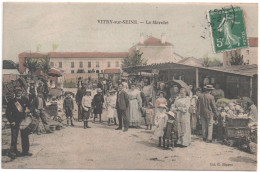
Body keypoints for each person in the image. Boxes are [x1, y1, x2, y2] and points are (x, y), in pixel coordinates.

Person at [5, 87, 32, 159]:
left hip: (23, 121)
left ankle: (25, 151)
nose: (18, 92)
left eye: (20, 91)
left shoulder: (25, 99)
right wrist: (11, 121)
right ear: (15, 92)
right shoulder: (11, 101)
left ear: (22, 92)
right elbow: (7, 113)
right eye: (17, 91)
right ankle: (13, 152)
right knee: (14, 137)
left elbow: (31, 106)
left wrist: (28, 109)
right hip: (15, 121)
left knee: (25, 136)